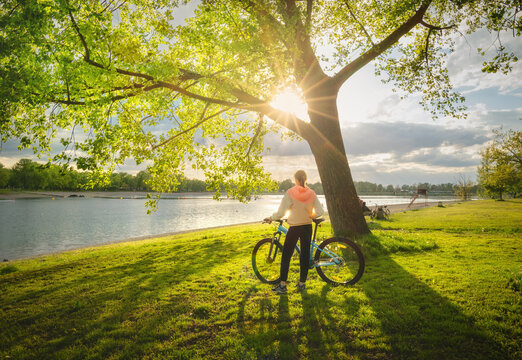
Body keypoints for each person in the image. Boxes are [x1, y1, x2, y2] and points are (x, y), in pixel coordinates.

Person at [264, 170, 324, 294]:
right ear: (306, 179)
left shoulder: (290, 192)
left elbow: (281, 212)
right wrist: (311, 216)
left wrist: (272, 217)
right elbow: (320, 211)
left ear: (296, 179)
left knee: (286, 255)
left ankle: (282, 285)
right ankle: (302, 284)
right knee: (305, 255)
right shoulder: (312, 193)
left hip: (295, 227)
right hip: (307, 226)